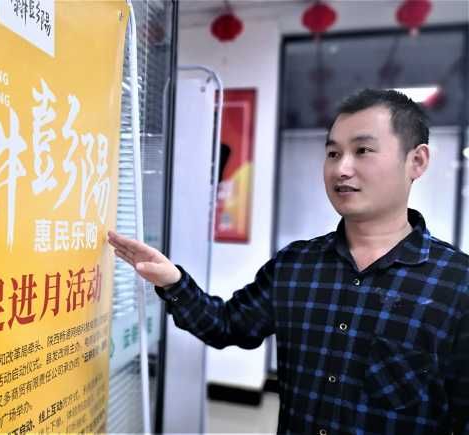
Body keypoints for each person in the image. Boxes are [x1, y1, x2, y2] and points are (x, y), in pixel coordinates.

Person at [108, 88, 469, 435]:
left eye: (362, 150)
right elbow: (227, 325)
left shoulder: (457, 284)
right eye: (333, 153)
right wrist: (173, 281)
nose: (341, 169)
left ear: (416, 161)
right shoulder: (296, 266)